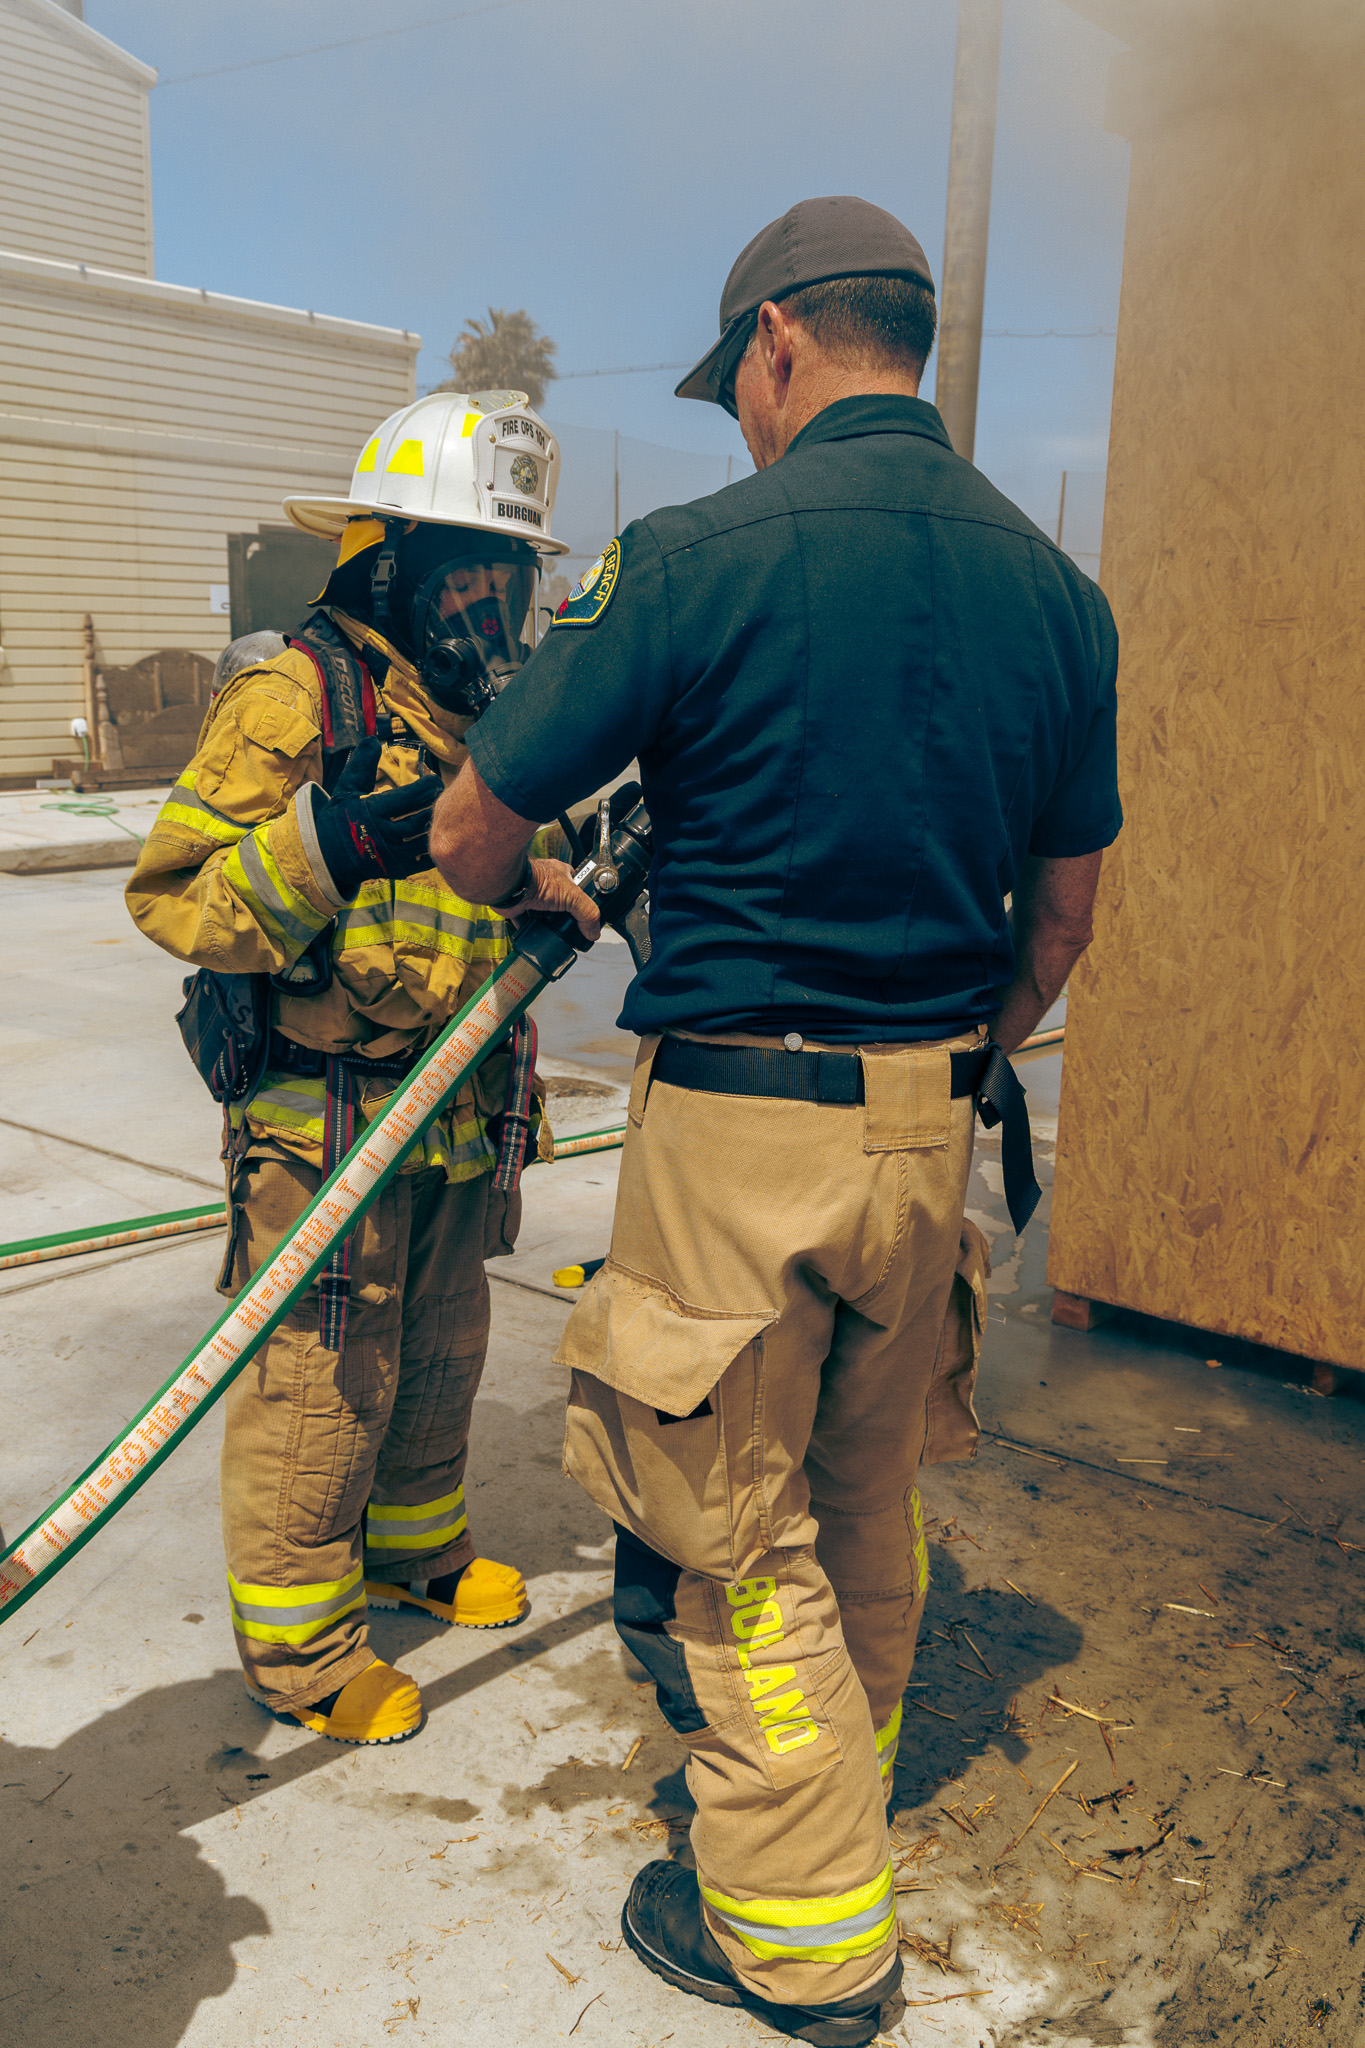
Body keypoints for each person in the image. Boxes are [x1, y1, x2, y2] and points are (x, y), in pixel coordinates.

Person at [428, 195, 1121, 2045]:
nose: (738, 416)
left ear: (775, 345)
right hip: (932, 1126)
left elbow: (475, 828)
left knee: (733, 1540)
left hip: (742, 1133)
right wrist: (952, 1057)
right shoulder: (1060, 595)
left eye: (733, 382)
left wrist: (531, 889)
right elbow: (1061, 924)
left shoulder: (692, 556)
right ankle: (832, 1811)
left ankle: (803, 1940)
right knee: (862, 1495)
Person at [126, 390, 571, 1746]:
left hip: (458, 1096)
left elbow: (496, 869)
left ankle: (415, 1550)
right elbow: (177, 894)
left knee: (442, 1341)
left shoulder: (482, 709)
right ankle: (305, 1652)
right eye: (469, 572)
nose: (491, 603)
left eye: (510, 575)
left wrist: (560, 874)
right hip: (325, 1112)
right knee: (321, 1374)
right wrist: (327, 850)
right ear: (389, 563)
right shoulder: (293, 700)